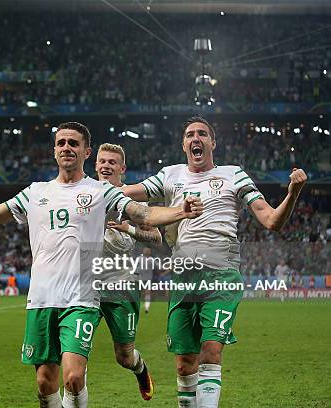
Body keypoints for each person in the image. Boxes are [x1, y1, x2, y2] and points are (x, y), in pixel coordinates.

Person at [0, 122, 203, 408]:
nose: (67, 147)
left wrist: (180, 211)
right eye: (61, 143)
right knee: (44, 382)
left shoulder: (100, 192)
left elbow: (143, 212)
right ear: (54, 150)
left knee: (75, 377)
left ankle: (138, 369)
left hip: (82, 298)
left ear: (85, 151)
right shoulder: (35, 192)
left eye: (74, 143)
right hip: (42, 299)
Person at [122, 116, 307, 408]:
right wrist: (90, 191)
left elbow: (271, 221)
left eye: (202, 134)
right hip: (183, 279)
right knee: (184, 364)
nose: (196, 138)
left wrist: (292, 193)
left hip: (221, 276)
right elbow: (125, 193)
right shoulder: (169, 176)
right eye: (190, 135)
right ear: (184, 144)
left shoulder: (234, 175)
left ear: (212, 143)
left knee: (210, 351)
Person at [94, 143, 161, 400]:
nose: (106, 166)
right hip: (86, 285)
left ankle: (140, 369)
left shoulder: (131, 202)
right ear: (95, 165)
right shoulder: (83, 194)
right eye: (102, 161)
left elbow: (156, 238)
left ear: (122, 168)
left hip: (121, 285)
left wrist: (129, 230)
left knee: (124, 357)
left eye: (112, 162)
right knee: (74, 355)